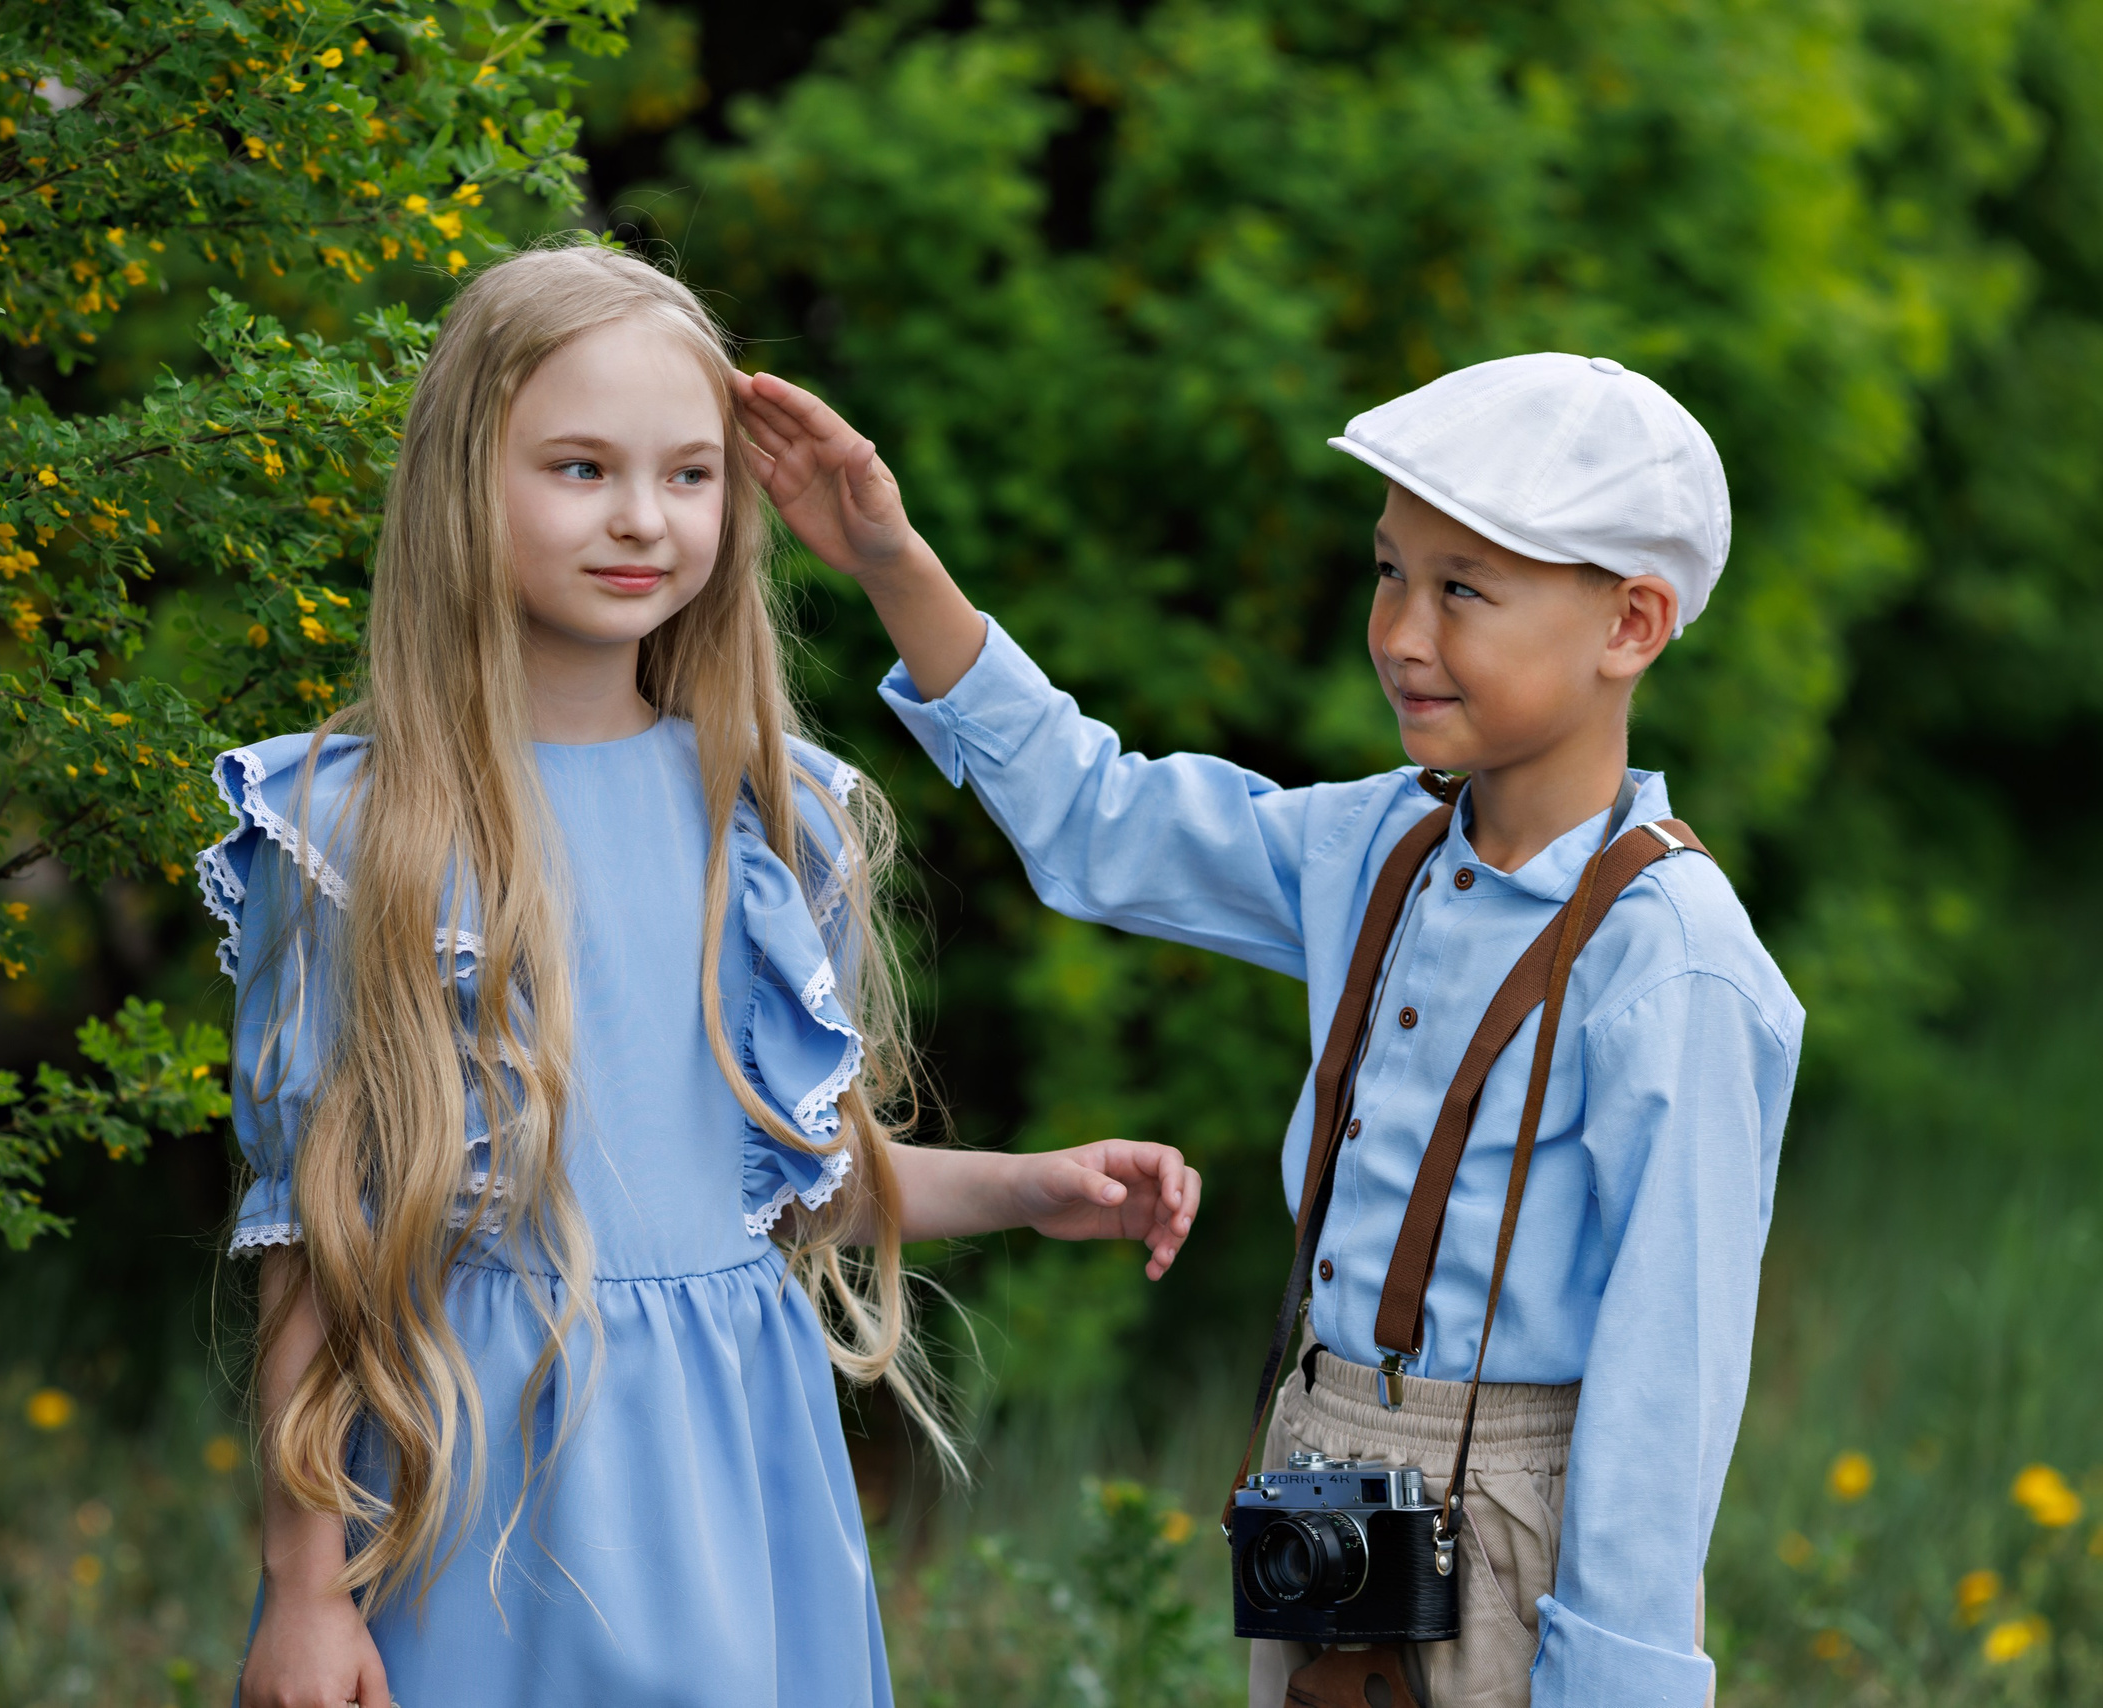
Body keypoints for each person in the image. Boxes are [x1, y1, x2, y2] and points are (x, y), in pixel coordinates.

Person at [194, 244, 1204, 1708]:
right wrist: (303, 1589)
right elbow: (317, 1243)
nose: (640, 520)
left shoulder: (777, 816)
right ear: (462, 480)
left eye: (687, 476)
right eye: (580, 467)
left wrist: (1030, 1187)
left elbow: (794, 1187)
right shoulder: (360, 828)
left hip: (740, 1473)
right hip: (477, 1485)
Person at [733, 352, 1802, 1707]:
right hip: (1321, 1489)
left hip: (1524, 1529)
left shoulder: (1676, 965)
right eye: (1388, 571)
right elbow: (1095, 823)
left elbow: (1667, 1397)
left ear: (1633, 624)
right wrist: (889, 559)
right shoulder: (1374, 845)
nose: (1403, 632)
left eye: (1463, 589)